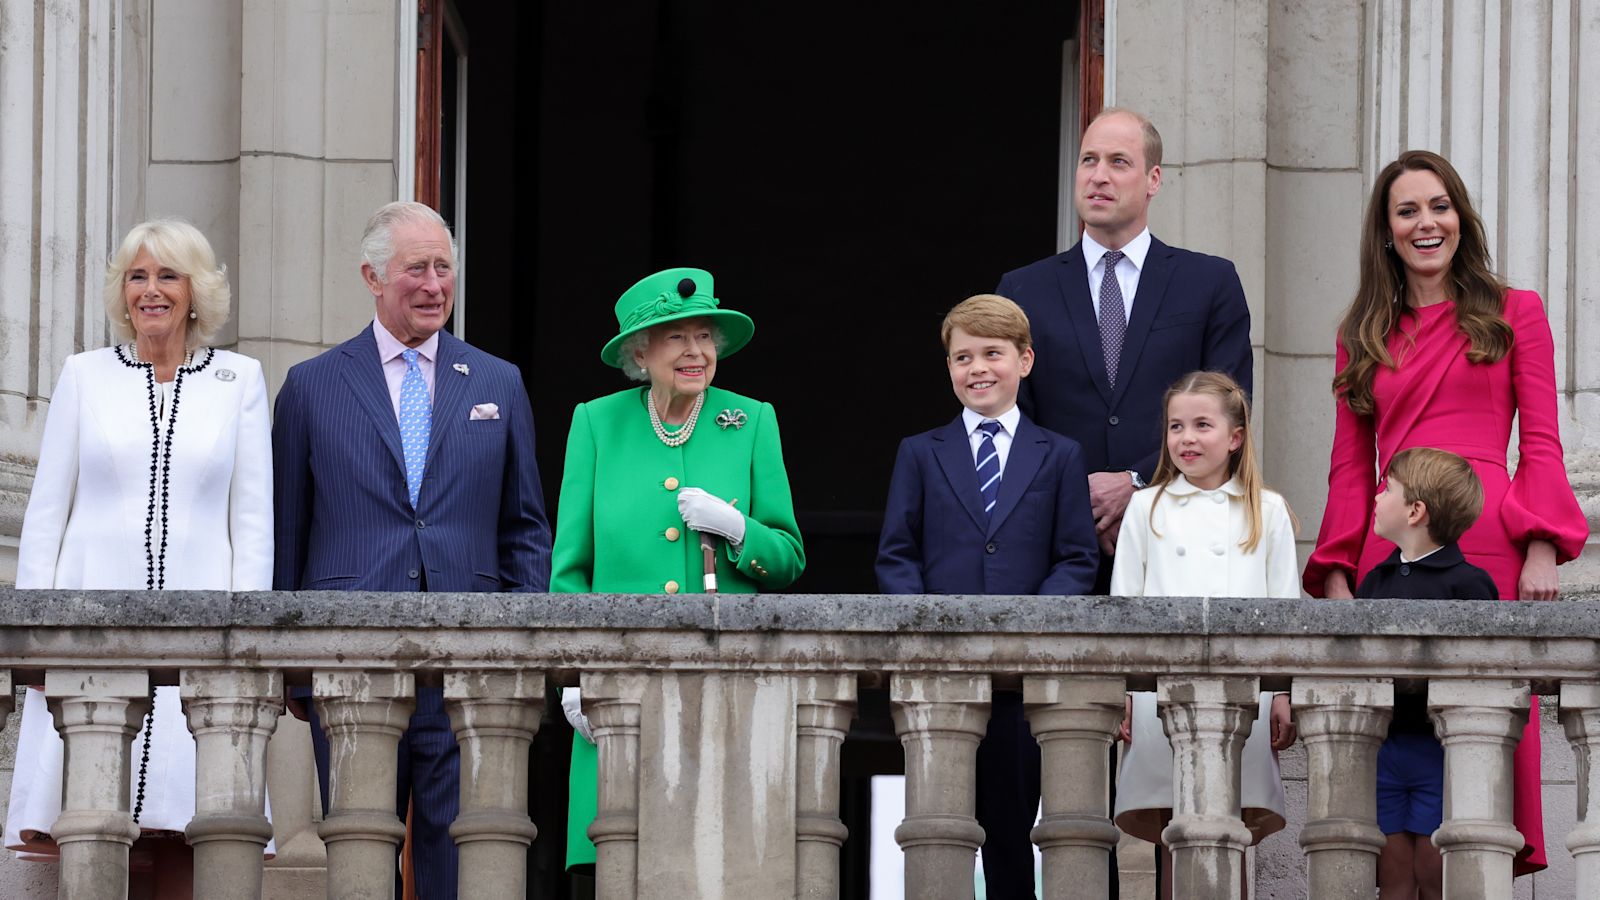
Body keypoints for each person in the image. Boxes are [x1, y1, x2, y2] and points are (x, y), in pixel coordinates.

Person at [1303, 149, 1589, 875]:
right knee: (1394, 762)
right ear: (1386, 230)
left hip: (1488, 544)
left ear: (1460, 216)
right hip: (1391, 552)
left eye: (1439, 206)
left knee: (1481, 747)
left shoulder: (1515, 310)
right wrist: (1336, 569)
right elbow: (1349, 466)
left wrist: (1542, 546)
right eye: (1407, 211)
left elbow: (1542, 442)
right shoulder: (1360, 332)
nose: (1426, 223)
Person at [272, 200, 552, 899]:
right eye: (416, 269)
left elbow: (524, 528)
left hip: (468, 671)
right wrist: (291, 668)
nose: (434, 285)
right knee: (360, 865)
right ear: (372, 277)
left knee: (458, 866)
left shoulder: (498, 382)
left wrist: (522, 647)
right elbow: (288, 533)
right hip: (349, 666)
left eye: (444, 268)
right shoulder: (311, 387)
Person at [5, 219, 272, 896]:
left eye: (168, 275)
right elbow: (47, 515)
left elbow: (252, 524)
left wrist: (248, 647)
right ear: (123, 292)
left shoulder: (239, 380)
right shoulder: (84, 376)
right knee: (90, 822)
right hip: (89, 632)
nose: (151, 290)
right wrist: (35, 639)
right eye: (138, 276)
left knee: (191, 823)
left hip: (202, 638)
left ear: (195, 290)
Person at [552, 267, 805, 890]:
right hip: (620, 689)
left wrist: (739, 530)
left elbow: (788, 557)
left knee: (718, 869)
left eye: (705, 336)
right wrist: (574, 674)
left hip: (722, 689)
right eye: (677, 338)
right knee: (617, 862)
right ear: (641, 354)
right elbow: (570, 569)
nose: (696, 352)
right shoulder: (596, 423)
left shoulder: (751, 421)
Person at [875, 293, 1098, 896]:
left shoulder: (1060, 454)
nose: (977, 368)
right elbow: (897, 553)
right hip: (941, 673)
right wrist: (925, 626)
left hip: (1022, 680)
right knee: (938, 826)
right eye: (962, 357)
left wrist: (1032, 624)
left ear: (1025, 360)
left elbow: (1077, 557)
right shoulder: (920, 452)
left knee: (1011, 829)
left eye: (992, 354)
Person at [995, 107, 1251, 588]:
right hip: (1054, 549)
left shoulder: (1209, 282)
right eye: (1088, 160)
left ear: (1153, 179)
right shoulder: (1023, 290)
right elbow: (1009, 419)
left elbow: (1231, 406)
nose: (1098, 176)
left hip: (1178, 540)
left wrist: (1137, 483)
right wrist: (1077, 496)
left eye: (1118, 162)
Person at [1110, 371, 1298, 900]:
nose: (1186, 438)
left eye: (1201, 425)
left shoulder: (1268, 510)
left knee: (1232, 829)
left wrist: (1283, 691)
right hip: (1160, 697)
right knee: (1176, 829)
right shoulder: (1146, 506)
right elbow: (1125, 609)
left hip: (1244, 696)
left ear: (1235, 437)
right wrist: (1125, 690)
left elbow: (1286, 611)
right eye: (1176, 426)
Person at [1357, 448, 1498, 900]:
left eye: (1387, 489)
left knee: (1436, 876)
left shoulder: (1469, 585)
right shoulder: (1375, 581)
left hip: (1441, 752)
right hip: (1384, 750)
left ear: (1415, 511)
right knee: (1393, 876)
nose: (1377, 498)